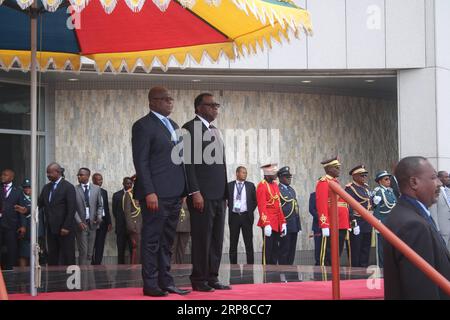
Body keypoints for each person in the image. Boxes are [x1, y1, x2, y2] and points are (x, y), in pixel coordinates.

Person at [132, 86, 189, 297]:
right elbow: (141, 162)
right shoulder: (143, 126)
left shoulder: (174, 126)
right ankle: (151, 284)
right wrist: (149, 192)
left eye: (171, 99)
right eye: (165, 100)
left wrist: (183, 189)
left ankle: (166, 282)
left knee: (167, 241)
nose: (170, 103)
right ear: (152, 102)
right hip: (155, 195)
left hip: (175, 194)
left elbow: (179, 160)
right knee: (152, 240)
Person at [182, 92, 230, 292]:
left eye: (216, 105)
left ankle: (212, 276)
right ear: (198, 108)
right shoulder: (190, 128)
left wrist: (226, 194)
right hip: (202, 195)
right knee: (202, 238)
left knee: (216, 239)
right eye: (211, 105)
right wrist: (195, 192)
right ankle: (199, 279)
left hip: (219, 195)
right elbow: (188, 164)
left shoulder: (215, 130)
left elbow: (222, 165)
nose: (215, 108)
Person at [384, 156, 450, 300]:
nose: (439, 183)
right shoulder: (413, 225)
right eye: (433, 178)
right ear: (414, 182)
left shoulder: (410, 214)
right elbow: (421, 288)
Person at [38, 162, 76, 265]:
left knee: (67, 255)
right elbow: (39, 203)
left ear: (58, 172)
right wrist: (27, 210)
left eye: (50, 173)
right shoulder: (46, 188)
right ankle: (54, 278)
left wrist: (66, 226)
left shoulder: (68, 187)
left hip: (64, 228)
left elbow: (71, 209)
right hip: (51, 228)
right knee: (52, 255)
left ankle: (70, 279)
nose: (48, 175)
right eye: (47, 173)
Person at [316, 157, 352, 266]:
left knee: (337, 252)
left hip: (341, 223)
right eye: (336, 168)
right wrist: (324, 224)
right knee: (328, 253)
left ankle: (334, 274)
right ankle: (325, 276)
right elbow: (321, 204)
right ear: (329, 169)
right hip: (331, 223)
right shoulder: (323, 182)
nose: (338, 170)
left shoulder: (335, 182)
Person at [256, 164, 286, 265]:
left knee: (275, 249)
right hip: (268, 222)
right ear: (267, 174)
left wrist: (283, 222)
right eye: (274, 172)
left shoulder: (275, 185)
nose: (276, 174)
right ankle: (266, 273)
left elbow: (279, 206)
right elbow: (262, 207)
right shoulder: (262, 186)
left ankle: (273, 271)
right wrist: (266, 223)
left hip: (277, 221)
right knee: (268, 250)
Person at [227, 166, 257, 265]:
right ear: (237, 173)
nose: (245, 174)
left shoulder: (250, 186)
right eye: (243, 172)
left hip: (246, 217)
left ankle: (250, 265)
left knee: (249, 243)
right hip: (234, 217)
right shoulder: (229, 186)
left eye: (246, 172)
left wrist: (248, 210)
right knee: (233, 243)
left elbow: (255, 201)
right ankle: (233, 266)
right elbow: (227, 200)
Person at [74, 167, 103, 266]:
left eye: (81, 175)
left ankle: (88, 274)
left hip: (93, 224)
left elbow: (100, 205)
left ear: (87, 176)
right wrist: (79, 222)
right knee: (83, 252)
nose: (78, 176)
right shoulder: (74, 189)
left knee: (90, 253)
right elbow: (73, 209)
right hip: (81, 225)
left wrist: (99, 217)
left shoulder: (96, 189)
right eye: (78, 175)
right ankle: (82, 275)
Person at [345, 165, 373, 268]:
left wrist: (376, 203)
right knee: (355, 248)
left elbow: (370, 204)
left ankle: (364, 269)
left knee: (366, 248)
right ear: (355, 176)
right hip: (357, 222)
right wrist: (353, 222)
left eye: (365, 175)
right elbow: (349, 206)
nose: (364, 178)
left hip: (367, 222)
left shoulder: (366, 187)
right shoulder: (350, 188)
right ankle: (355, 270)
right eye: (362, 176)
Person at [0, 169, 26, 270]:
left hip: (12, 225)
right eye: (2, 175)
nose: (2, 176)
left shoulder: (18, 191)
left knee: (12, 249)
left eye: (5, 175)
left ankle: (10, 270)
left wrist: (23, 226)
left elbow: (22, 210)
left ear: (12, 177)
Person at [372, 170, 397, 267]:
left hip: (391, 222)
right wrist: (377, 222)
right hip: (382, 221)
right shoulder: (378, 191)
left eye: (389, 179)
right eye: (386, 179)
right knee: (382, 246)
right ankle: (382, 266)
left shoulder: (390, 191)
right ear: (380, 181)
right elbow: (377, 208)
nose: (388, 181)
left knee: (390, 245)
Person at [277, 166, 301, 265]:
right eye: (287, 177)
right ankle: (283, 269)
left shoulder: (291, 189)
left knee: (292, 248)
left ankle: (290, 268)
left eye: (290, 176)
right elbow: (279, 207)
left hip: (294, 223)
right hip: (285, 223)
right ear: (280, 178)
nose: (289, 178)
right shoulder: (278, 189)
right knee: (284, 248)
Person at [92, 173, 112, 265]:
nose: (100, 181)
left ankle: (98, 263)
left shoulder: (104, 192)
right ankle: (91, 262)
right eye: (98, 179)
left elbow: (106, 208)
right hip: (92, 221)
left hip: (103, 221)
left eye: (101, 179)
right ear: (93, 180)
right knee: (91, 243)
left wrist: (109, 222)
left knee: (100, 243)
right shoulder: (90, 190)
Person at [112, 177, 133, 264]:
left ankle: (133, 267)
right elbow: (114, 211)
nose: (128, 185)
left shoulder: (135, 195)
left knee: (133, 249)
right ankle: (120, 267)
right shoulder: (117, 195)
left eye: (130, 183)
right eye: (127, 183)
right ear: (123, 184)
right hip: (121, 228)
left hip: (132, 228)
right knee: (121, 250)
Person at [430, 171, 450, 250]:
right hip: (442, 229)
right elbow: (433, 212)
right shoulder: (436, 191)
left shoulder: (448, 191)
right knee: (442, 251)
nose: (448, 179)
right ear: (439, 178)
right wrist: (436, 228)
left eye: (448, 176)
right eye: (446, 177)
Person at [123, 183, 142, 264]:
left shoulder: (145, 192)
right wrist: (131, 227)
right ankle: (135, 268)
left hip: (145, 225)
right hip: (135, 225)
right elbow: (127, 212)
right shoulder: (129, 194)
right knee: (137, 248)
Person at [171, 198, 191, 264]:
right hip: (173, 225)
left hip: (186, 225)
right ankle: (171, 267)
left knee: (182, 249)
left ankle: (180, 267)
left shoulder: (190, 198)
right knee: (172, 248)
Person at [308, 191, 322, 266]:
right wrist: (322, 218)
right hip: (318, 225)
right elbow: (311, 209)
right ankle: (318, 263)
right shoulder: (314, 195)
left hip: (330, 225)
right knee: (318, 246)